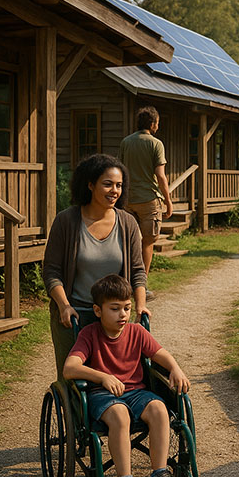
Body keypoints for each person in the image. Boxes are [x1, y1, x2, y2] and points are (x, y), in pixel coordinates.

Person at [63, 274, 190, 477]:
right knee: (120, 415)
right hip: (103, 395)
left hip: (136, 392)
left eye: (127, 308)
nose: (123, 314)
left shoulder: (137, 331)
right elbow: (70, 368)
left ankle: (160, 475)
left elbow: (161, 354)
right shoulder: (89, 334)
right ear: (97, 311)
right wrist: (103, 377)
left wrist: (175, 368)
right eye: (115, 309)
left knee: (159, 409)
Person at [43, 154, 148, 380]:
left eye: (119, 185)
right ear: (90, 185)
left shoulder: (127, 222)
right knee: (75, 381)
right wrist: (63, 306)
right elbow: (52, 271)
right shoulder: (67, 221)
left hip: (113, 315)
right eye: (107, 184)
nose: (114, 191)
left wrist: (140, 305)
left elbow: (138, 270)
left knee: (119, 379)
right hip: (75, 314)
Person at [119, 106, 173, 296]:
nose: (158, 126)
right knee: (147, 243)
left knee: (127, 242)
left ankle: (125, 282)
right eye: (157, 123)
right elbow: (160, 176)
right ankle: (141, 287)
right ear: (152, 124)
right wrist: (168, 201)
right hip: (149, 200)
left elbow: (120, 171)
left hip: (127, 199)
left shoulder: (126, 142)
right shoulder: (156, 144)